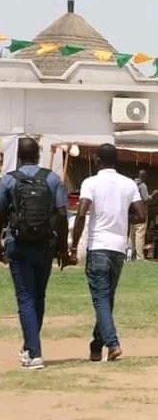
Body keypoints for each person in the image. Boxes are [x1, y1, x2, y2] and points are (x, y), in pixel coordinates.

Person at [71, 143, 145, 362]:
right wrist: (123, 218)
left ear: (96, 160)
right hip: (118, 248)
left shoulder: (90, 183)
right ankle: (96, 346)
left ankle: (112, 344)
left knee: (101, 299)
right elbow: (141, 215)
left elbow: (82, 212)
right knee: (107, 298)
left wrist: (73, 246)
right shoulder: (128, 183)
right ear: (117, 160)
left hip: (98, 246)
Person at [0, 138, 69, 370]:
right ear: (39, 156)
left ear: (19, 156)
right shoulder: (52, 179)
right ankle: (30, 347)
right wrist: (62, 247)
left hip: (18, 245)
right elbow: (61, 214)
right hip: (45, 245)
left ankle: (34, 352)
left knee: (26, 298)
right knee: (38, 296)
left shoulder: (8, 179)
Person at [129, 169, 158, 261]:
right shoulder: (142, 186)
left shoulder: (131, 184)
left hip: (132, 214)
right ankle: (139, 257)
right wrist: (153, 194)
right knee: (140, 235)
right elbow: (146, 199)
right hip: (141, 214)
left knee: (131, 235)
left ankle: (130, 255)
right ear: (145, 176)